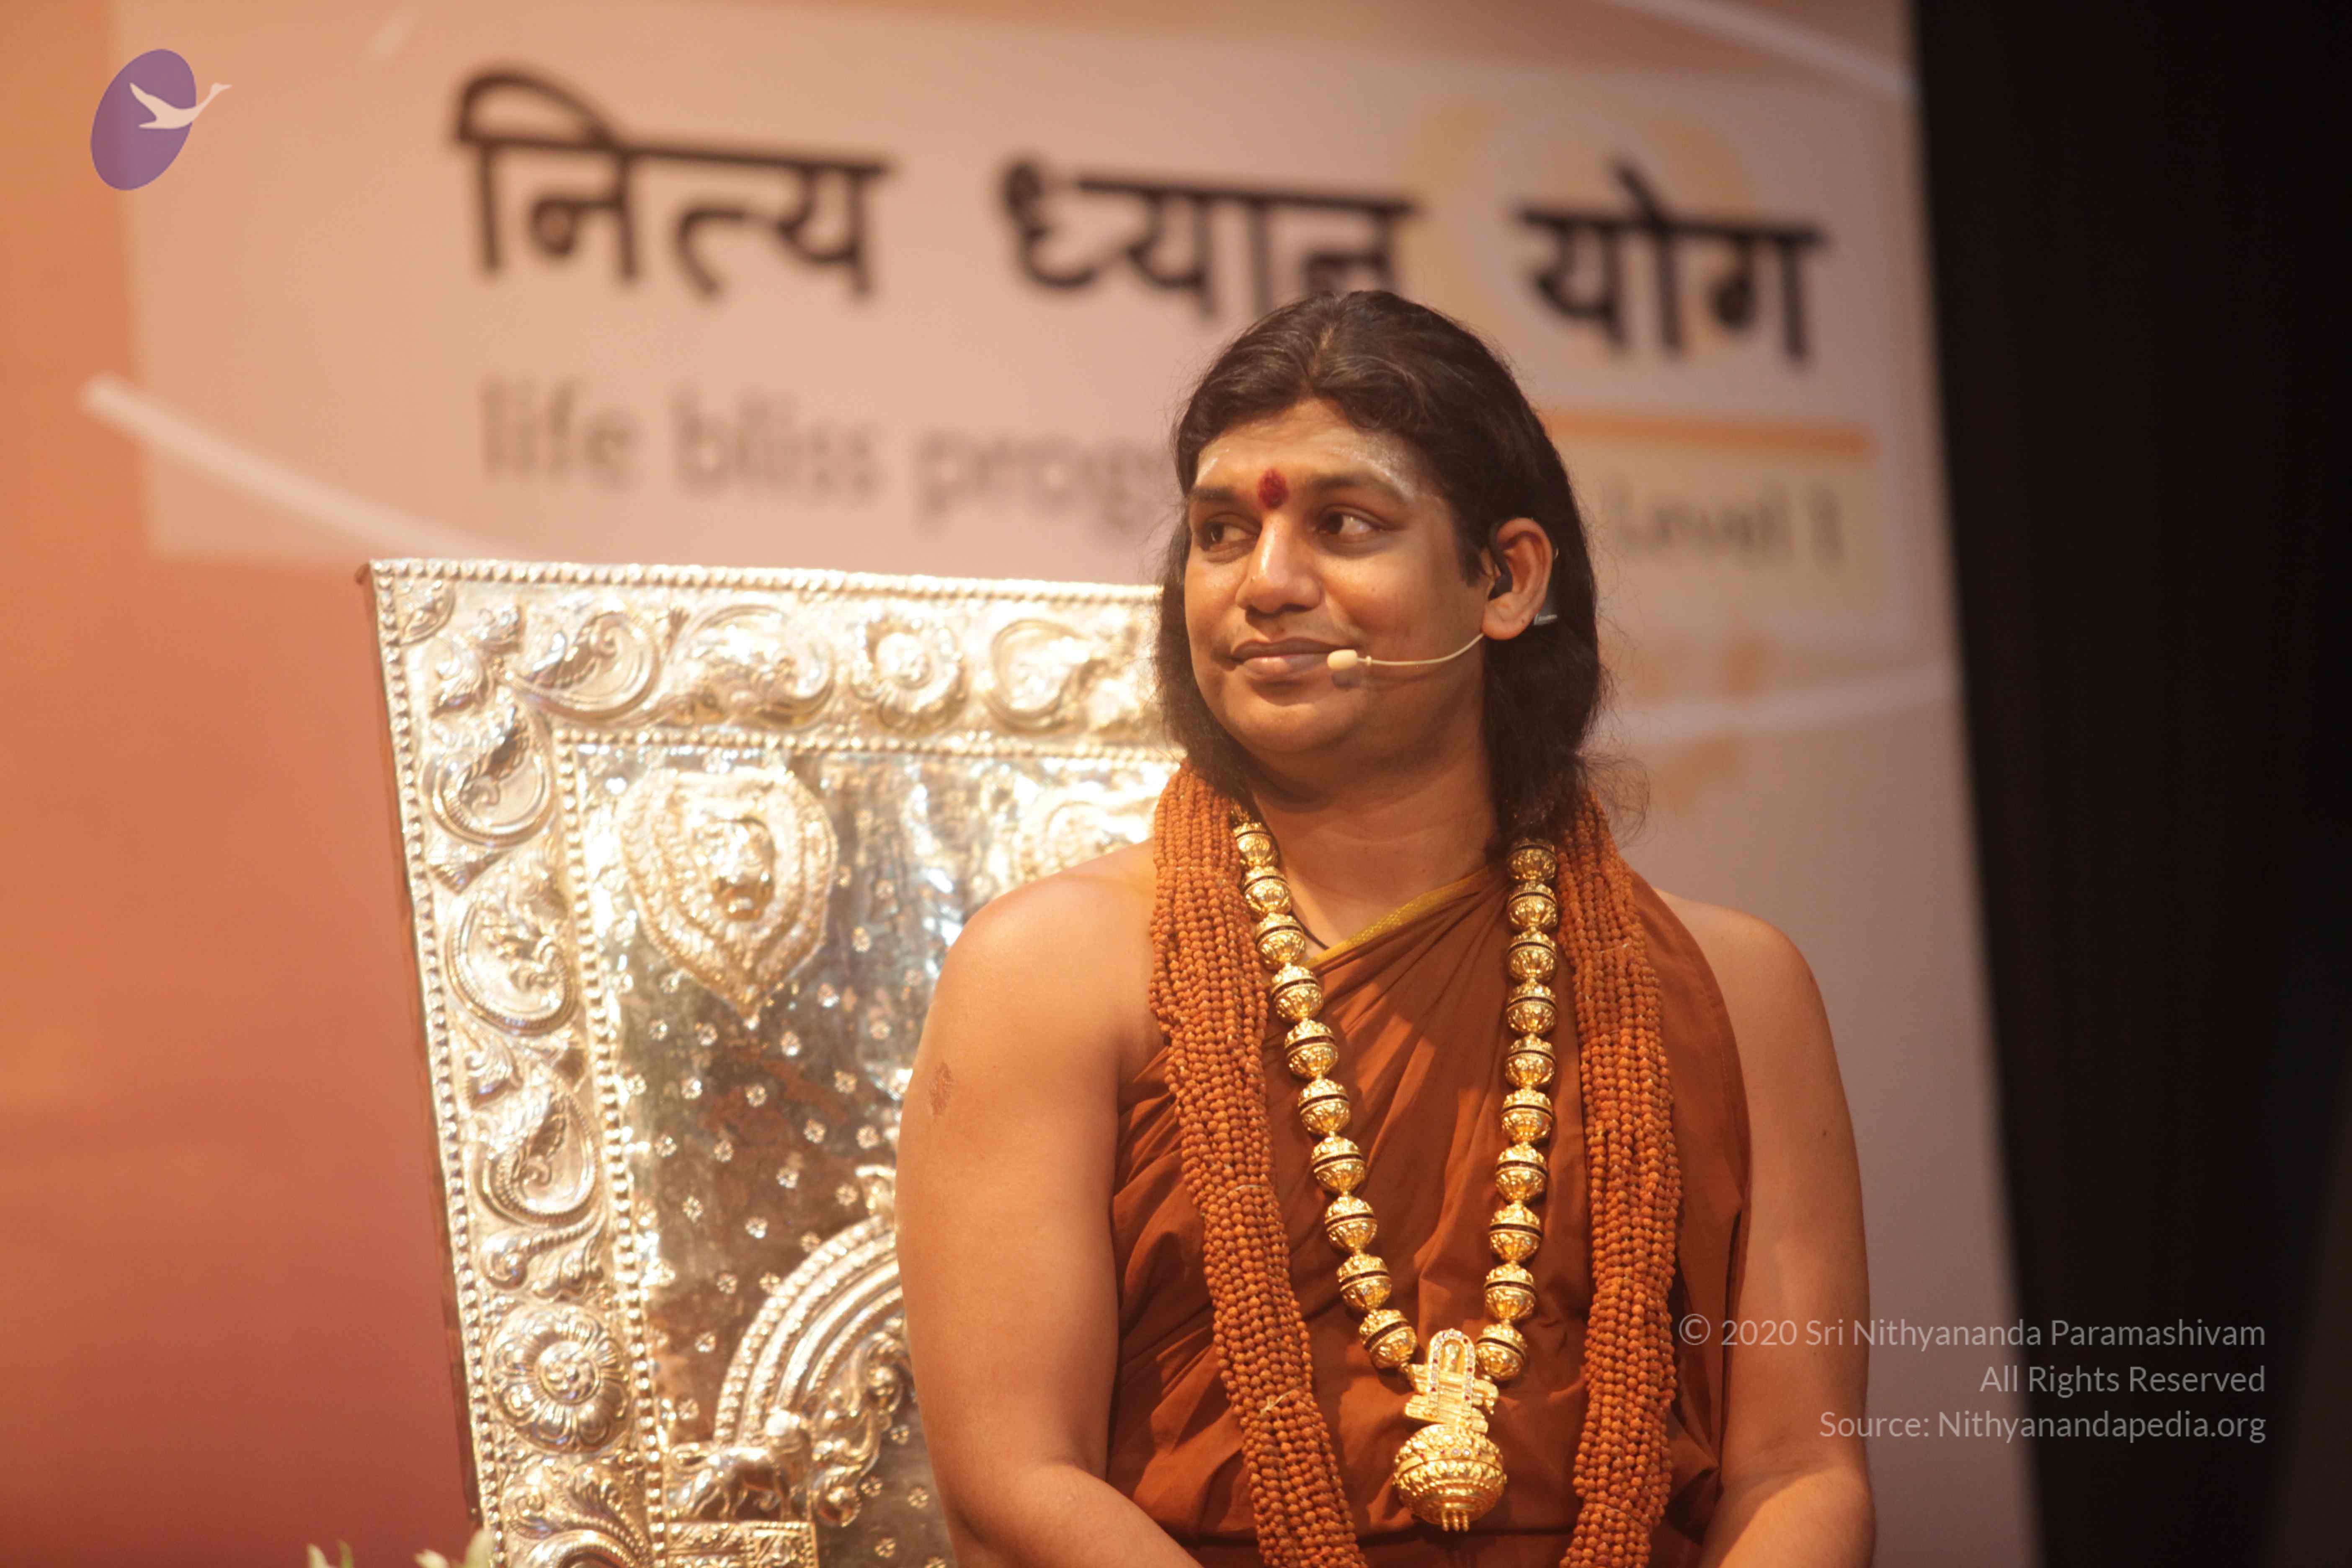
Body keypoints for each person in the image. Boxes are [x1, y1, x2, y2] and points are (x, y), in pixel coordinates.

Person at [895, 291, 1872, 1567]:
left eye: (1344, 525)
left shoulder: (1737, 992)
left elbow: (1802, 1476)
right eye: (1221, 532)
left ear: (1506, 579)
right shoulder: (1051, 973)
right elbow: (1013, 1481)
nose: (1266, 585)